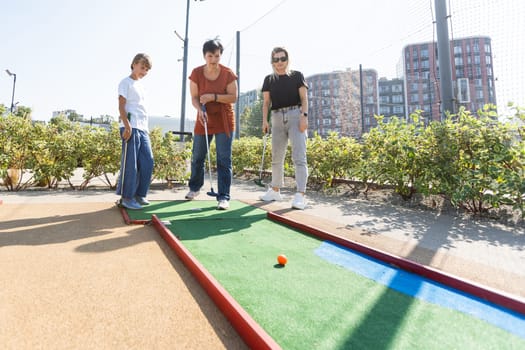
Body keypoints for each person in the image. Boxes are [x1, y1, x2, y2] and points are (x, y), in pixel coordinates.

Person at [185, 39, 238, 210]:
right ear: (204, 56)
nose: (214, 59)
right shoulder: (196, 73)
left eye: (217, 55)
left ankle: (224, 196)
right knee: (198, 155)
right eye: (210, 56)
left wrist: (213, 97)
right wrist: (200, 109)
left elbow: (233, 97)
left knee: (224, 159)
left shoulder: (228, 73)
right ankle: (194, 188)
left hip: (224, 119)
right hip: (204, 117)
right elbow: (194, 97)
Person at [259, 47, 309, 210]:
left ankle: (300, 195)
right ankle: (275, 190)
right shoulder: (269, 79)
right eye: (276, 59)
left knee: (299, 157)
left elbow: (304, 98)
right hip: (276, 118)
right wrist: (265, 121)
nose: (279, 62)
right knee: (276, 157)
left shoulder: (297, 76)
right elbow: (266, 103)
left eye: (282, 58)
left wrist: (304, 116)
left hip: (296, 116)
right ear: (272, 62)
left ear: (288, 59)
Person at [116, 53, 154, 210]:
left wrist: (145, 129)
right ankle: (127, 198)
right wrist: (127, 125)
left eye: (146, 69)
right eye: (142, 67)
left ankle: (139, 194)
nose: (144, 71)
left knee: (148, 161)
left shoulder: (141, 86)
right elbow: (121, 105)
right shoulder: (126, 82)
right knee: (130, 165)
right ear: (134, 64)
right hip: (130, 126)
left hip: (142, 128)